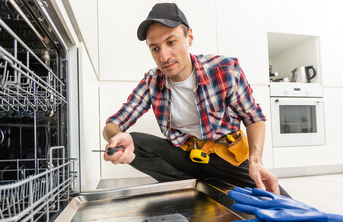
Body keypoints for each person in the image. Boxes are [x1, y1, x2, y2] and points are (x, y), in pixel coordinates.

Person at [103, 2, 289, 196]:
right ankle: (195, 191)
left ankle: (205, 190)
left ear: (189, 37)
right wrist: (116, 139)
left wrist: (256, 162)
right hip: (186, 156)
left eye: (171, 42)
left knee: (279, 202)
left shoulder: (225, 69)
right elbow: (113, 124)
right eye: (155, 48)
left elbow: (254, 118)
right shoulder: (152, 80)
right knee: (136, 142)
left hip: (227, 157)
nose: (164, 56)